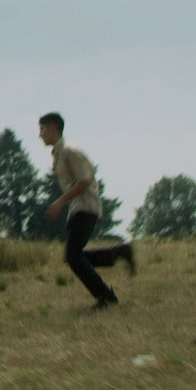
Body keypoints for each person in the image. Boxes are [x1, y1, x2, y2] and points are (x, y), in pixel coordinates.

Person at [39, 113, 134, 309]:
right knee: (73, 257)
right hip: (78, 208)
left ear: (54, 128)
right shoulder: (60, 153)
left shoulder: (69, 151)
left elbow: (85, 180)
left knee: (73, 257)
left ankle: (106, 296)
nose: (40, 134)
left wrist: (61, 202)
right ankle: (118, 253)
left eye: (42, 129)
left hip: (86, 207)